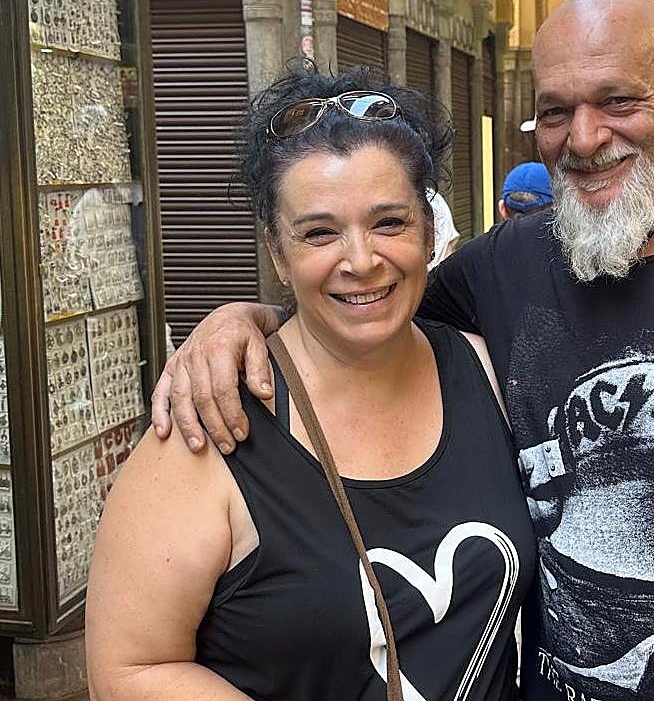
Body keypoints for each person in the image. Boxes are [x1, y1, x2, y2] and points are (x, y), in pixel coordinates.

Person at [152, 0, 654, 701]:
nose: (584, 138)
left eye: (618, 102)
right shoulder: (501, 267)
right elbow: (364, 306)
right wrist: (245, 321)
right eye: (556, 112)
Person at [86, 67, 536, 700]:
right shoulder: (209, 423)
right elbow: (129, 670)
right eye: (320, 233)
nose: (361, 260)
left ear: (430, 230)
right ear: (277, 250)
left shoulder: (490, 374)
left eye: (389, 223)